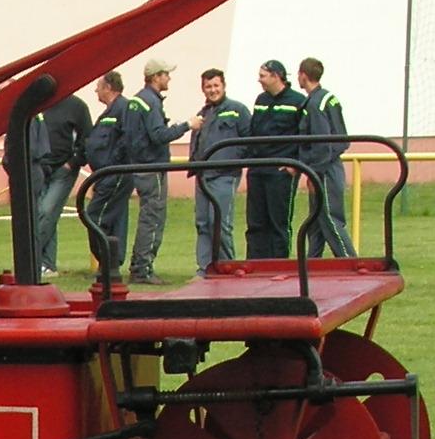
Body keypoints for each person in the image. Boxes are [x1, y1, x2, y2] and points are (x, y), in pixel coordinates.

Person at [121, 59, 190, 285]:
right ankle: (143, 268)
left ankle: (138, 265)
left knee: (147, 217)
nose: (169, 78)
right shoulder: (151, 102)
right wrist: (186, 126)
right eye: (166, 74)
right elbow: (158, 135)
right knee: (153, 218)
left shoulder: (136, 101)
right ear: (156, 77)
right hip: (152, 167)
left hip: (139, 166)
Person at [24, 87, 93, 277]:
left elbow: (87, 137)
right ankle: (47, 264)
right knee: (46, 214)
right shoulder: (37, 104)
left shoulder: (76, 106)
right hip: (40, 168)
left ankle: (29, 258)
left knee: (46, 212)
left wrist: (73, 163)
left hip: (63, 170)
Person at [245, 60, 311, 259]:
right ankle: (255, 264)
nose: (259, 80)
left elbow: (305, 135)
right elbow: (253, 131)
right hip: (257, 169)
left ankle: (279, 264)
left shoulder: (298, 101)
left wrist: (295, 165)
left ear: (276, 76)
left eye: (263, 76)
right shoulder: (261, 100)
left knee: (278, 223)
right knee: (255, 223)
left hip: (281, 172)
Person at [187, 69, 247, 273]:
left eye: (216, 85)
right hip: (202, 175)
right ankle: (205, 268)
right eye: (208, 86)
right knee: (203, 223)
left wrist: (233, 160)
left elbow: (249, 140)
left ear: (223, 86)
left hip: (225, 175)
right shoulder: (202, 114)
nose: (212, 90)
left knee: (220, 223)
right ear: (203, 89)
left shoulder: (237, 110)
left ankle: (227, 266)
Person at [297, 57, 355, 258]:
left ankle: (350, 261)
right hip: (330, 165)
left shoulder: (315, 105)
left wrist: (313, 174)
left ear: (303, 75)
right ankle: (311, 264)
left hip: (324, 169)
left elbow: (322, 144)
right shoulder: (328, 98)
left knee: (331, 218)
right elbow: (341, 138)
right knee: (316, 222)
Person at [81, 73, 131, 272]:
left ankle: (108, 261)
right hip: (104, 174)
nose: (96, 90)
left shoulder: (123, 109)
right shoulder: (108, 112)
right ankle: (109, 265)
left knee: (95, 217)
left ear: (108, 87)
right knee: (112, 220)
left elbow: (127, 138)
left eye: (98, 86)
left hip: (114, 174)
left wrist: (113, 163)